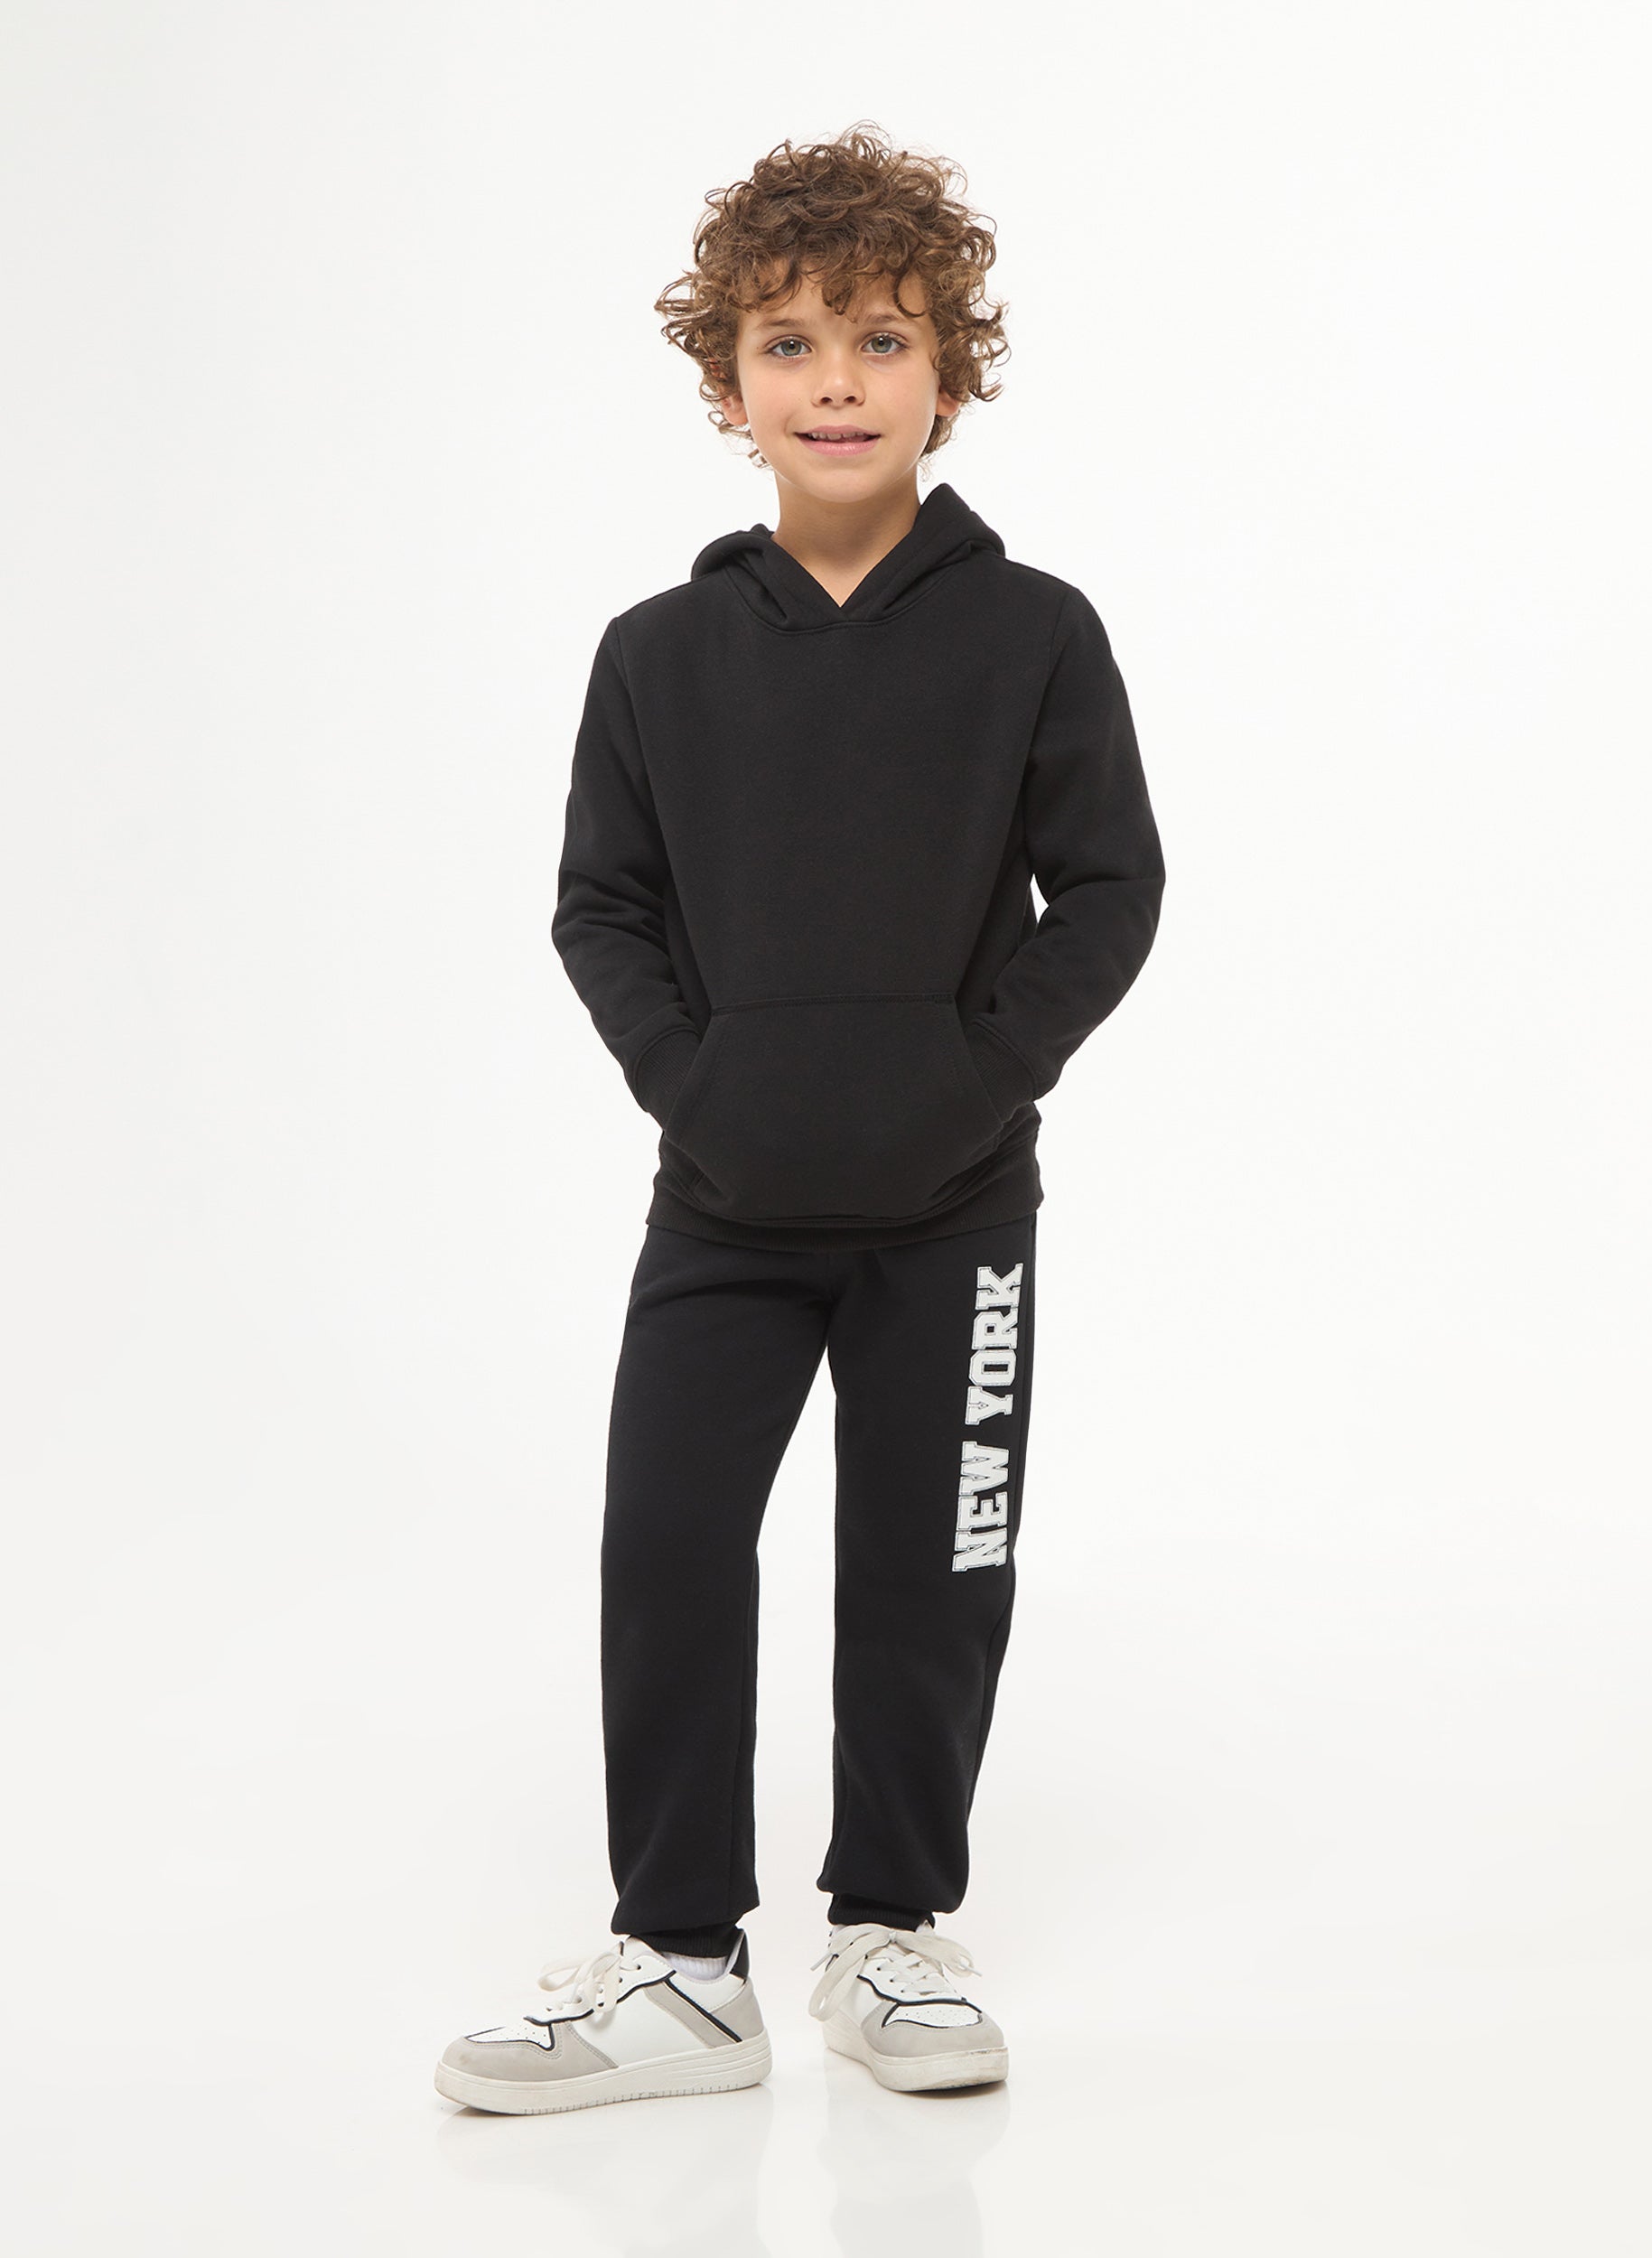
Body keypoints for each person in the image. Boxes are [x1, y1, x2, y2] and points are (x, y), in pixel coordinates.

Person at [434, 122, 1165, 2115]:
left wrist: (968, 1076)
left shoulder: (1035, 635)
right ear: (726, 379)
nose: (835, 382)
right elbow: (602, 906)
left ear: (949, 372)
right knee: (668, 1546)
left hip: (956, 1209)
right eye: (788, 342)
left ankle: (889, 1933)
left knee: (932, 1570)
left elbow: (1109, 893)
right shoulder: (656, 655)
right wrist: (700, 1082)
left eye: (879, 338)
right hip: (724, 1206)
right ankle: (679, 1966)